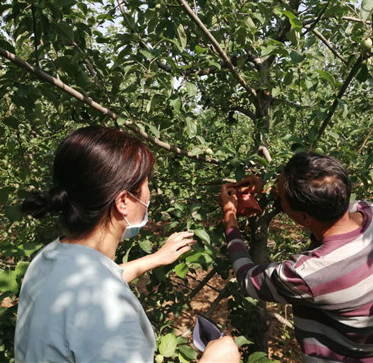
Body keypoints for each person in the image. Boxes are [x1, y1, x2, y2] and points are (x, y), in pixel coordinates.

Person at [15, 126, 240, 363]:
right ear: (123, 201)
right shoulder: (110, 315)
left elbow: (101, 280)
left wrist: (156, 258)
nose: (149, 194)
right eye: (146, 184)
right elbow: (101, 294)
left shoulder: (49, 257)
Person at [218, 152, 373, 363]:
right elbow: (319, 201)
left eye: (281, 198)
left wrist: (230, 217)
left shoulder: (309, 274)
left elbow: (248, 279)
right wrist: (269, 188)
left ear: (304, 218)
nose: (278, 198)